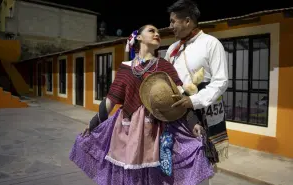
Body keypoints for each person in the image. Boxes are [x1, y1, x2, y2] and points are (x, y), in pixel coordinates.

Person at [69, 24, 214, 185]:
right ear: (138, 37)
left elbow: (179, 97)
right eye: (152, 31)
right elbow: (110, 100)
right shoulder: (125, 68)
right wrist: (93, 123)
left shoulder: (164, 66)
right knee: (129, 175)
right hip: (126, 130)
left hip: (155, 130)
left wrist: (193, 122)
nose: (157, 34)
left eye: (158, 32)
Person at [165, 0, 229, 179]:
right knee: (176, 165)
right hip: (177, 115)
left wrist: (193, 101)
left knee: (200, 169)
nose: (170, 26)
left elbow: (221, 81)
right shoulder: (172, 49)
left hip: (202, 114)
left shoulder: (211, 43)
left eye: (173, 21)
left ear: (187, 21)